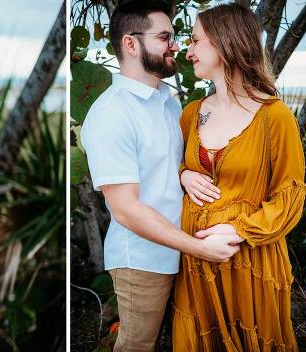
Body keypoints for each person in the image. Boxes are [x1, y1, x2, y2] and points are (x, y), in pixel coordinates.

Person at [80, 1, 241, 350]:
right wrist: (200, 248)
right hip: (144, 260)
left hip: (183, 251)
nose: (175, 45)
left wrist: (183, 176)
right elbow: (125, 210)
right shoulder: (112, 113)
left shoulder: (167, 100)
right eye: (165, 36)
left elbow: (169, 167)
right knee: (137, 346)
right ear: (131, 44)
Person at [172, 3, 305, 350]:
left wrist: (238, 230)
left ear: (223, 42)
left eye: (196, 41)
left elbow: (290, 196)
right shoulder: (191, 114)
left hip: (249, 261)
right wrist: (184, 173)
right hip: (198, 265)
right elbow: (168, 168)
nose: (188, 52)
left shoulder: (273, 117)